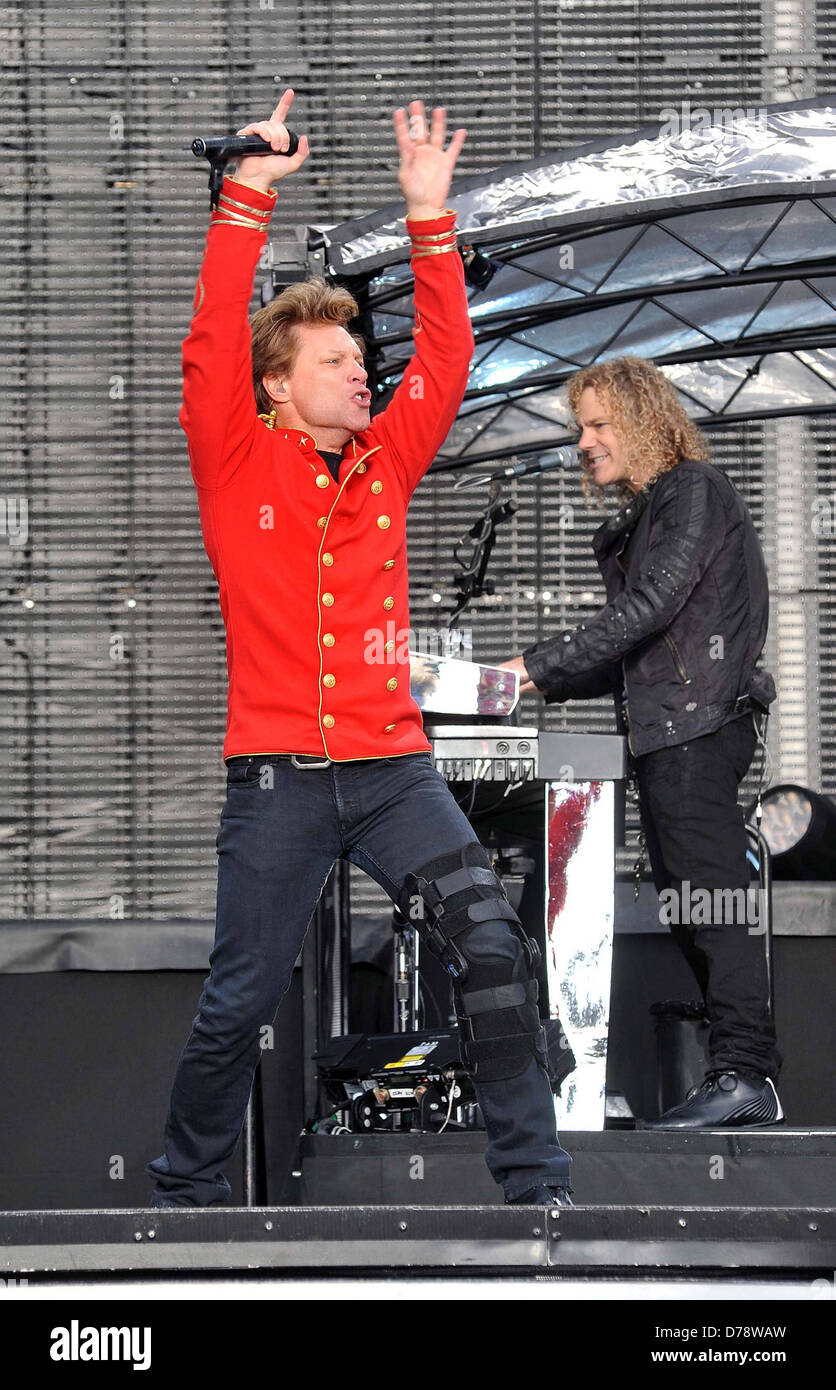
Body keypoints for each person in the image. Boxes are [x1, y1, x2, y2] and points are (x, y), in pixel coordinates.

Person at [147, 91, 573, 1208]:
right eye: (333, 359)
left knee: (490, 948)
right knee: (239, 1000)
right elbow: (207, 338)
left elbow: (443, 358)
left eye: (356, 357)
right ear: (278, 386)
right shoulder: (237, 457)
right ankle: (180, 1201)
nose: (357, 372)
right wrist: (245, 194)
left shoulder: (383, 463)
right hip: (280, 780)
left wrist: (428, 217)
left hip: (392, 774)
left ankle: (537, 1189)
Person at [501, 355, 783, 1130]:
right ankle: (736, 1074)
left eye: (598, 424)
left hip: (700, 727)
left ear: (644, 420)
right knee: (691, 904)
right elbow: (634, 648)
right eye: (579, 428)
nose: (584, 443)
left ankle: (745, 1073)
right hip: (669, 732)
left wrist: (533, 669)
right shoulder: (649, 513)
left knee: (713, 900)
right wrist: (529, 680)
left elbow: (650, 610)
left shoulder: (692, 490)